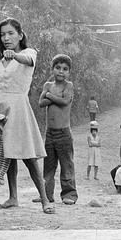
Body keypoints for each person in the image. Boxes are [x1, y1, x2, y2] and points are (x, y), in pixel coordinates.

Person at [0, 18, 53, 214]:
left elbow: (28, 61)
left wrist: (14, 55)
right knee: (8, 154)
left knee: (28, 156)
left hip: (17, 107)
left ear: (20, 35)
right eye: (2, 34)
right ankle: (13, 197)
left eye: (11, 33)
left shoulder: (28, 53)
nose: (6, 38)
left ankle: (45, 200)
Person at [37, 53, 77, 205]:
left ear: (69, 72)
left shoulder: (69, 86)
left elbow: (65, 101)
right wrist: (50, 95)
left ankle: (70, 194)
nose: (61, 71)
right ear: (52, 69)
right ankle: (46, 195)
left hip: (63, 133)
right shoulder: (48, 85)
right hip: (50, 133)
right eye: (58, 68)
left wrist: (49, 96)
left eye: (65, 69)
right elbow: (41, 103)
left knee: (67, 165)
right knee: (49, 165)